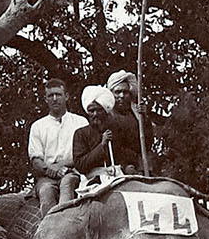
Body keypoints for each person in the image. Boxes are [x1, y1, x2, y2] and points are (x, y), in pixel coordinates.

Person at [27, 79, 89, 210]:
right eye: (50, 95)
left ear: (66, 96)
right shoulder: (38, 126)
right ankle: (48, 228)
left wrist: (62, 165)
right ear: (45, 99)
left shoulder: (80, 122)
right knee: (46, 191)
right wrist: (50, 170)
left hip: (73, 172)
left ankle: (64, 224)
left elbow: (85, 154)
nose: (54, 99)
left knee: (68, 183)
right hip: (47, 177)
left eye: (58, 94)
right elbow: (36, 160)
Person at [71, 85, 141, 182]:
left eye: (99, 110)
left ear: (106, 111)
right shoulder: (81, 134)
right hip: (93, 181)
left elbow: (130, 153)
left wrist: (127, 166)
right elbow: (80, 165)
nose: (95, 114)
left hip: (119, 177)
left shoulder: (117, 130)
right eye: (92, 111)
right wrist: (102, 145)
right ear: (87, 113)